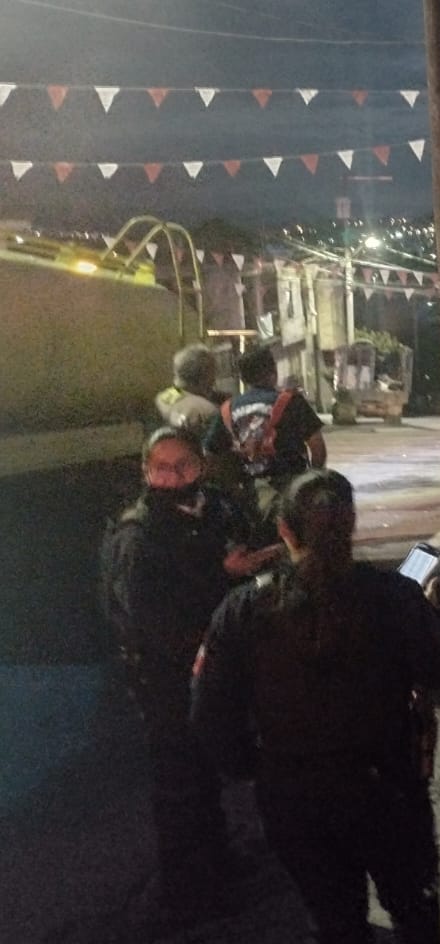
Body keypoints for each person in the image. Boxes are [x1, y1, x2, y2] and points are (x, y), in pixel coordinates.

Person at [191, 470, 440, 944]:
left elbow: (210, 714)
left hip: (294, 799)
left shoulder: (243, 609)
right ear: (351, 524)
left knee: (335, 923)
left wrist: (259, 767)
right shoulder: (394, 597)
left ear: (284, 531)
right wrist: (426, 613)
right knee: (415, 915)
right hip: (388, 790)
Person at [99, 427, 268, 925]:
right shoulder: (137, 533)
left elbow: (243, 540)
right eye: (161, 468)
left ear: (201, 467)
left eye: (182, 467)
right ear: (145, 470)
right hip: (166, 681)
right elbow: (151, 619)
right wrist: (225, 575)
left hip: (213, 669)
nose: (171, 478)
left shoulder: (213, 507)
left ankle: (218, 864)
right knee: (179, 787)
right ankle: (189, 894)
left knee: (208, 772)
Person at [205, 344, 327, 542]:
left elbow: (210, 456)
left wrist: (232, 487)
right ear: (274, 371)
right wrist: (313, 478)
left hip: (249, 495)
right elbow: (317, 447)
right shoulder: (292, 401)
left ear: (243, 379)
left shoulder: (227, 410)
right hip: (292, 489)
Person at [154, 343, 225, 435]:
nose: (214, 379)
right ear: (203, 374)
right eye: (213, 371)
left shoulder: (163, 398)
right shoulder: (207, 411)